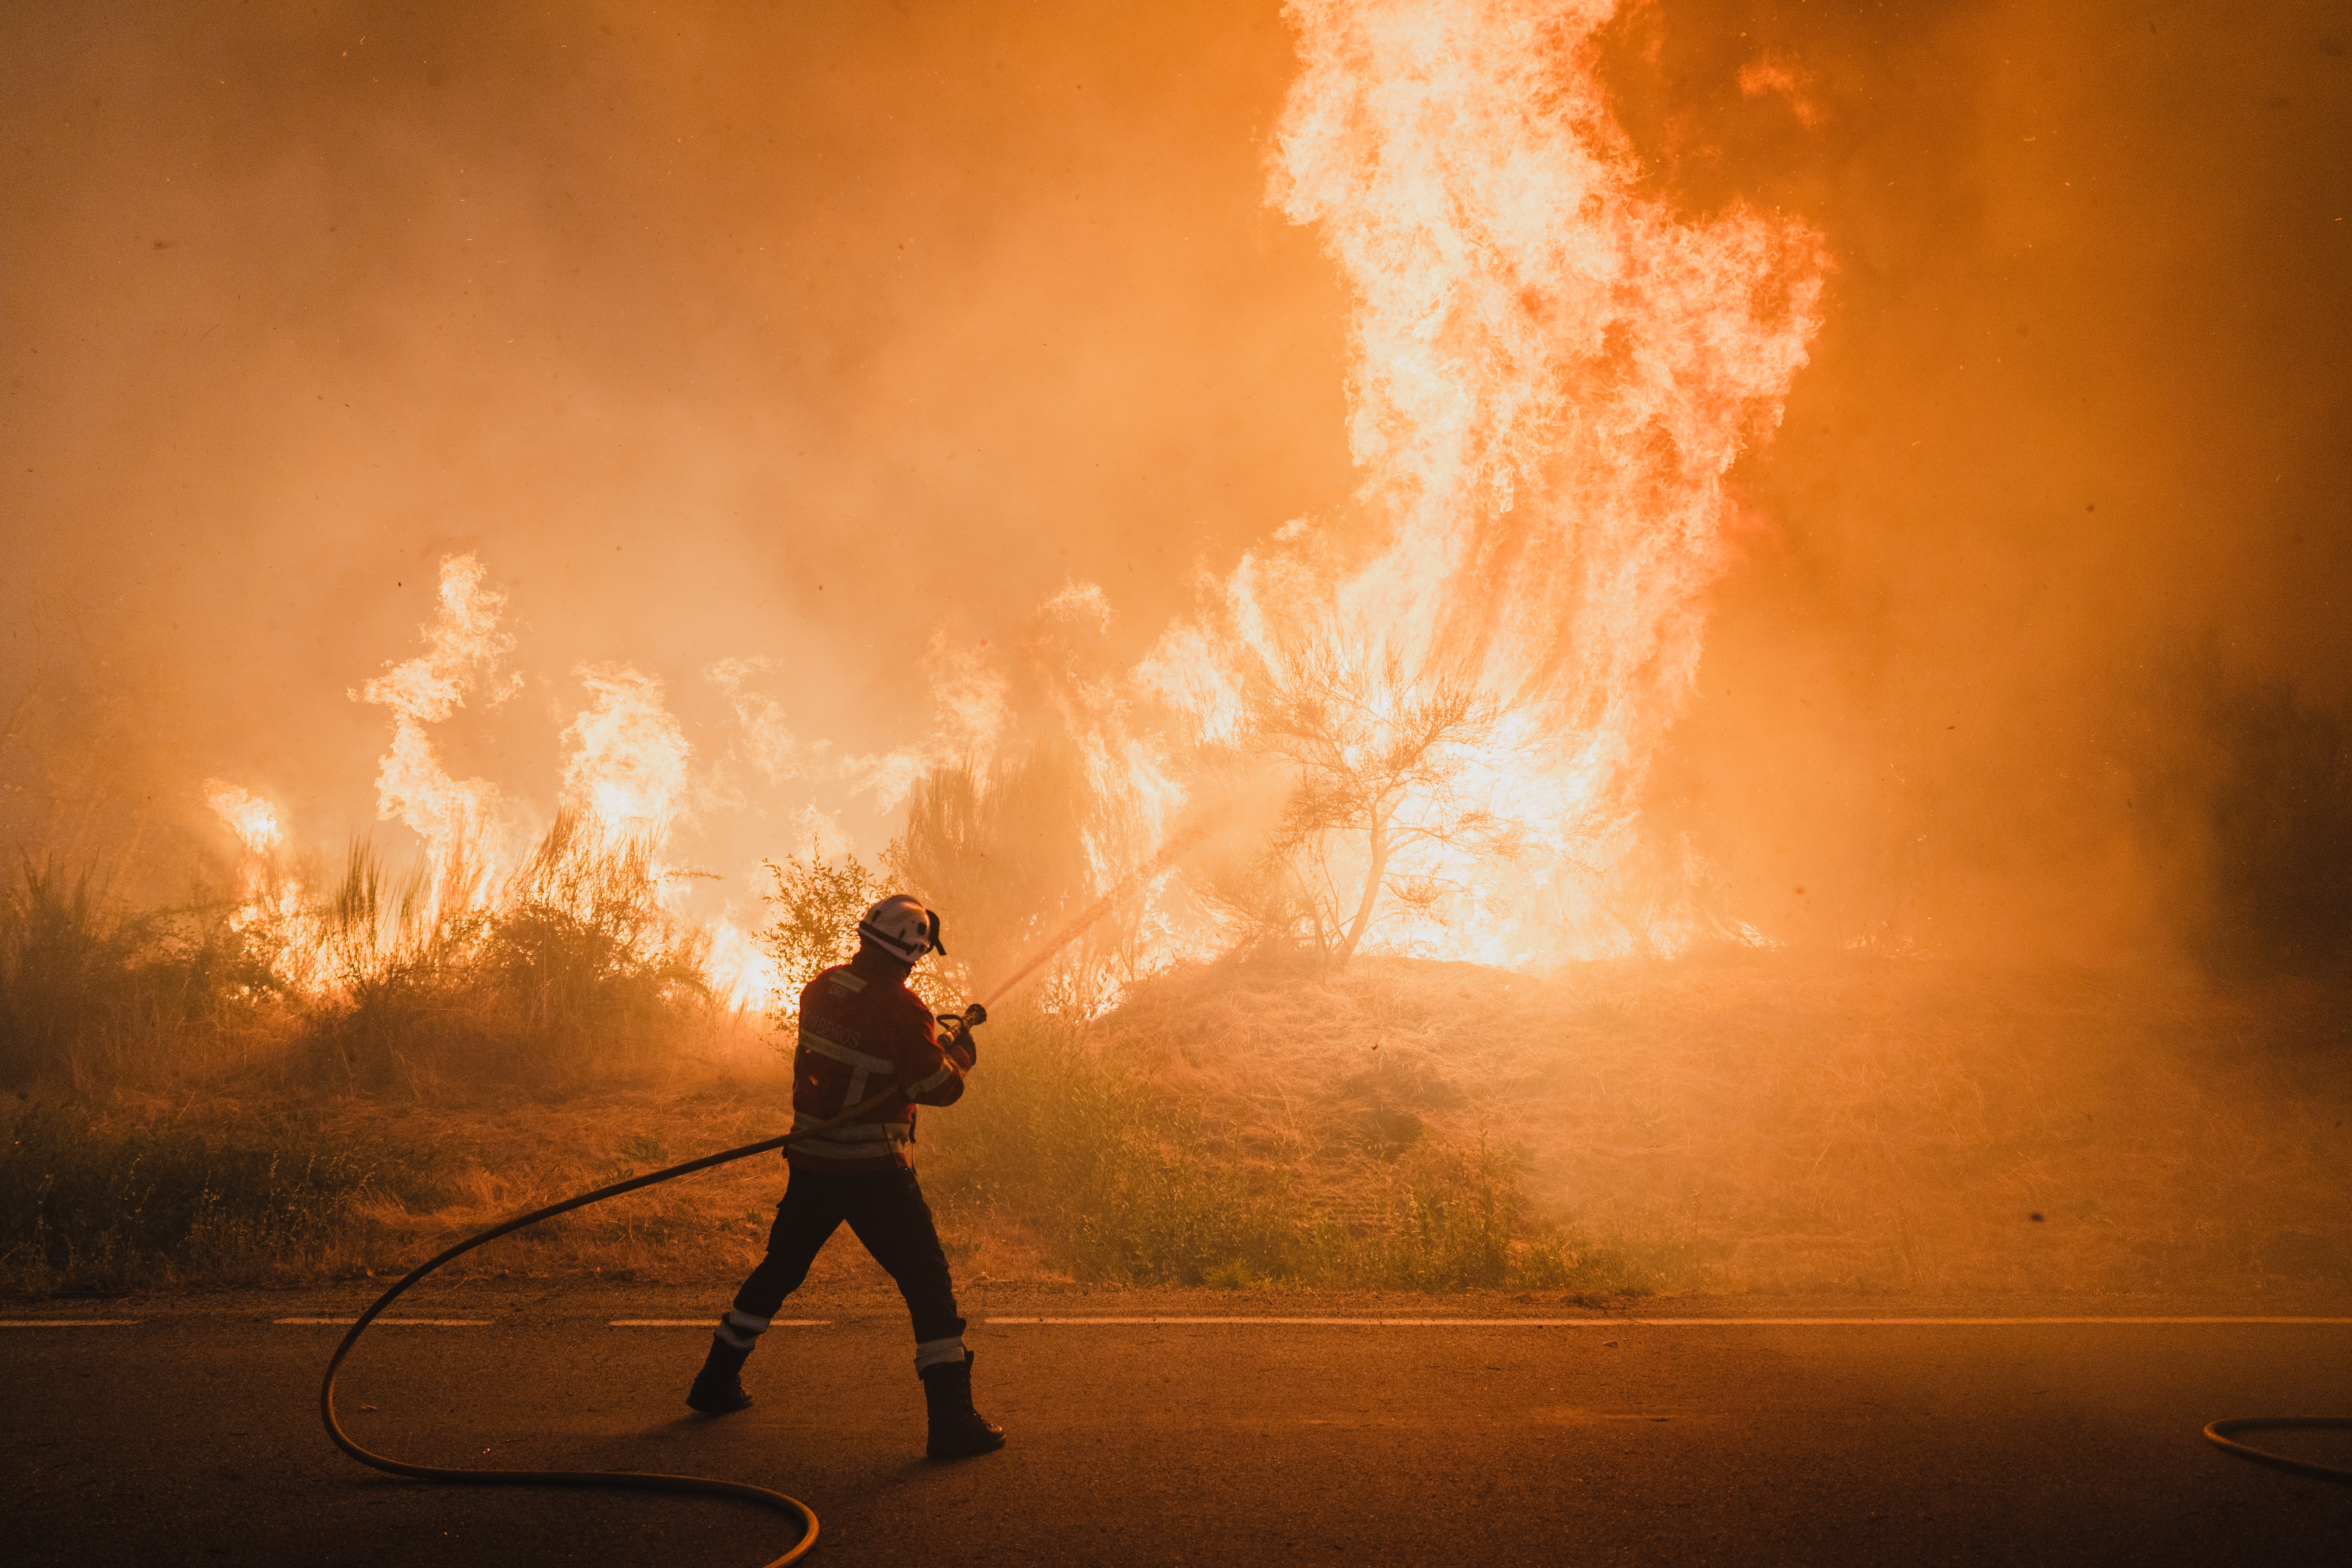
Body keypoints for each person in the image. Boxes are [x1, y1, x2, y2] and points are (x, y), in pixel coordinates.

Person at [685, 893, 1004, 1459]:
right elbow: (937, 1089)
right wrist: (958, 1055)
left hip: (813, 1163)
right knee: (927, 1284)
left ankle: (715, 1381)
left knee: (781, 1269)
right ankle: (952, 1422)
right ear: (912, 953)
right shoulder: (905, 1012)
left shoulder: (824, 986)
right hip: (874, 1171)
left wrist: (929, 1046)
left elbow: (877, 1058)